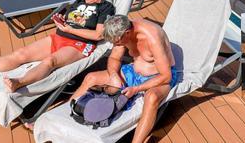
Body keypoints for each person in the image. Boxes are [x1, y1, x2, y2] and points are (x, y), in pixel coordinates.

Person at [70, 15, 179, 143]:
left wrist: (136, 89)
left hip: (157, 76)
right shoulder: (120, 30)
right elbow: (114, 58)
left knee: (152, 98)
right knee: (91, 77)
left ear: (127, 33)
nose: (115, 45)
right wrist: (114, 75)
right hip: (133, 71)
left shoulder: (153, 38)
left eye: (116, 42)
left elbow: (166, 76)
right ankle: (68, 114)